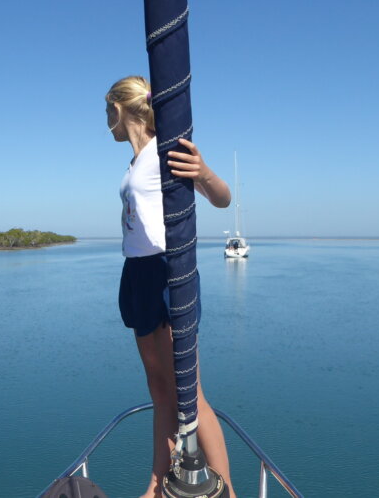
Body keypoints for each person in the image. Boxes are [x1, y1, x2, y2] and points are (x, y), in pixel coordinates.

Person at [106, 75, 237, 498]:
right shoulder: (135, 161)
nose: (105, 122)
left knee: (189, 393)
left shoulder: (166, 154)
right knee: (158, 389)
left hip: (168, 273)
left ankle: (230, 490)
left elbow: (222, 198)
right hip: (137, 275)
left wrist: (205, 171)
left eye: (106, 112)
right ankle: (156, 484)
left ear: (121, 109)